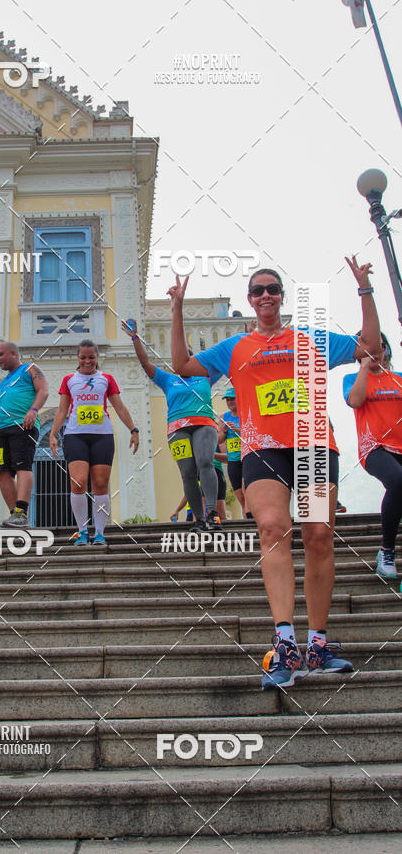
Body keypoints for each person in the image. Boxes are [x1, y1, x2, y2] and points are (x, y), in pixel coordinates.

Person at [169, 257, 382, 689]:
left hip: (315, 447)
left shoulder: (311, 339)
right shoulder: (235, 347)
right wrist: (177, 309)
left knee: (319, 535)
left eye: (273, 288)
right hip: (262, 450)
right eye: (258, 290)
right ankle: (285, 642)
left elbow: (369, 347)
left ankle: (318, 644)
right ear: (250, 300)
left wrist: (364, 290)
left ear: (281, 296)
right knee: (270, 528)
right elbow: (183, 366)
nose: (266, 295)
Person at [122, 319, 219, 529]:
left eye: (188, 358)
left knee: (205, 462)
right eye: (179, 358)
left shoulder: (206, 377)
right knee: (188, 473)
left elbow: (229, 362)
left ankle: (212, 513)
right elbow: (146, 364)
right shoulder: (168, 380)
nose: (184, 361)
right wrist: (135, 339)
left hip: (204, 424)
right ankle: (199, 519)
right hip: (177, 430)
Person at [50, 340, 138, 545]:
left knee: (100, 484)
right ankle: (82, 531)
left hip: (102, 435)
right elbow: (62, 410)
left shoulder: (106, 379)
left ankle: (99, 532)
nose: (87, 361)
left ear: (97, 358)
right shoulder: (69, 379)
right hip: (75, 435)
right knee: (78, 482)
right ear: (77, 358)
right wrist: (53, 434)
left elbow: (119, 406)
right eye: (83, 357)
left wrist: (133, 429)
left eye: (91, 357)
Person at [344, 333, 402, 578]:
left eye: (379, 347)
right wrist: (365, 366)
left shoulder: (398, 379)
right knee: (398, 481)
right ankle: (386, 551)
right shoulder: (352, 379)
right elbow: (355, 401)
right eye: (366, 348)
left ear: (386, 349)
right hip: (374, 448)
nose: (374, 352)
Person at [0, 342, 48, 528]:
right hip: (2, 430)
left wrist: (34, 409)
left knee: (22, 466)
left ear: (14, 353)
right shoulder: (4, 381)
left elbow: (43, 390)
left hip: (23, 426)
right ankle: (14, 516)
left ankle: (22, 512)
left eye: (1, 354)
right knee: (1, 471)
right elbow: (2, 407)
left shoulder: (30, 368)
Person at [218, 388, 251, 518]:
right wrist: (224, 431)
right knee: (240, 496)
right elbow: (219, 440)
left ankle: (252, 518)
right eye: (227, 400)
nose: (230, 402)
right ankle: (247, 520)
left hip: (246, 457)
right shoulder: (224, 417)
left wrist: (237, 430)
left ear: (239, 399)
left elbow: (251, 434)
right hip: (233, 460)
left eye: (232, 399)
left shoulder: (246, 413)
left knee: (246, 489)